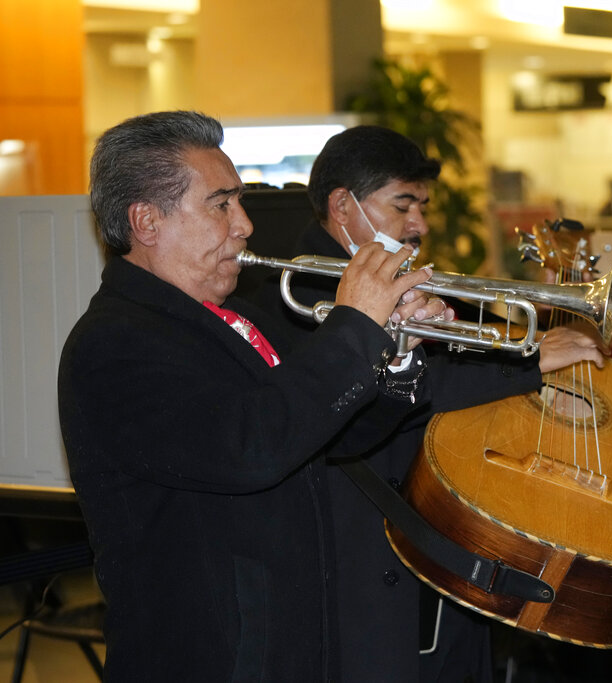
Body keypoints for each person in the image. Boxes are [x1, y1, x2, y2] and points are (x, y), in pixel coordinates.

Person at [56, 110, 560, 682]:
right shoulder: (115, 344)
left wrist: (397, 353)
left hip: (291, 643)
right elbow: (252, 447)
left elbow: (335, 439)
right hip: (209, 656)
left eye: (238, 202)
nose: (244, 224)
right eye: (220, 204)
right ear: (146, 222)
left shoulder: (234, 316)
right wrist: (355, 326)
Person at [246, 124, 610, 682]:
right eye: (402, 204)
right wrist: (531, 358)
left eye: (423, 206)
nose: (418, 224)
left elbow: (465, 357)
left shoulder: (412, 278)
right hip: (365, 558)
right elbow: (388, 399)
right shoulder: (286, 298)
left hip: (447, 543)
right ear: (343, 206)